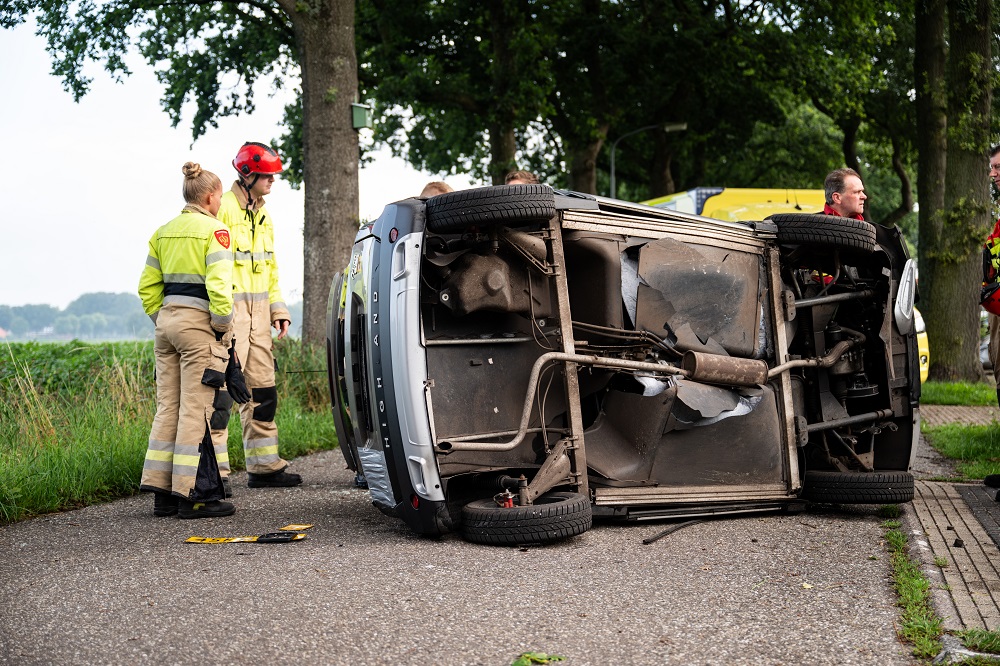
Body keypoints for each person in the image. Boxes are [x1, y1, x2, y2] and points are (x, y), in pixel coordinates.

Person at [137, 162, 250, 519]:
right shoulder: (216, 232)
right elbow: (220, 289)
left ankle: (163, 494)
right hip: (198, 327)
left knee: (167, 406)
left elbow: (147, 288)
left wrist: (164, 318)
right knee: (196, 409)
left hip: (167, 324)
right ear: (210, 197)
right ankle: (195, 495)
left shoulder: (163, 231)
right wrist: (220, 327)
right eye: (219, 198)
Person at [215, 142, 302, 489]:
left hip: (259, 324)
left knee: (263, 396)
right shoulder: (222, 209)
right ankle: (214, 477)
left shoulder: (263, 215)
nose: (273, 181)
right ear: (247, 174)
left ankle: (264, 467)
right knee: (219, 400)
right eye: (268, 175)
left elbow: (271, 271)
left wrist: (278, 309)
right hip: (228, 322)